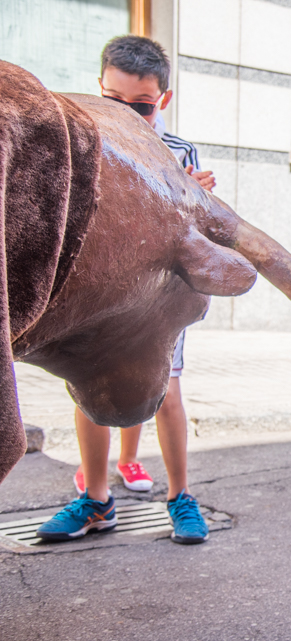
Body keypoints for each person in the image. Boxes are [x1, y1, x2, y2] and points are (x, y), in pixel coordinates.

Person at [37, 35, 214, 545]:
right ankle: (95, 500)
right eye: (113, 102)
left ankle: (180, 497)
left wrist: (196, 194)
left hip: (159, 294)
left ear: (163, 100)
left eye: (140, 106)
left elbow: (197, 225)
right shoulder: (83, 143)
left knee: (168, 391)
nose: (127, 115)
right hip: (95, 291)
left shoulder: (179, 151)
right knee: (85, 386)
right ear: (98, 90)